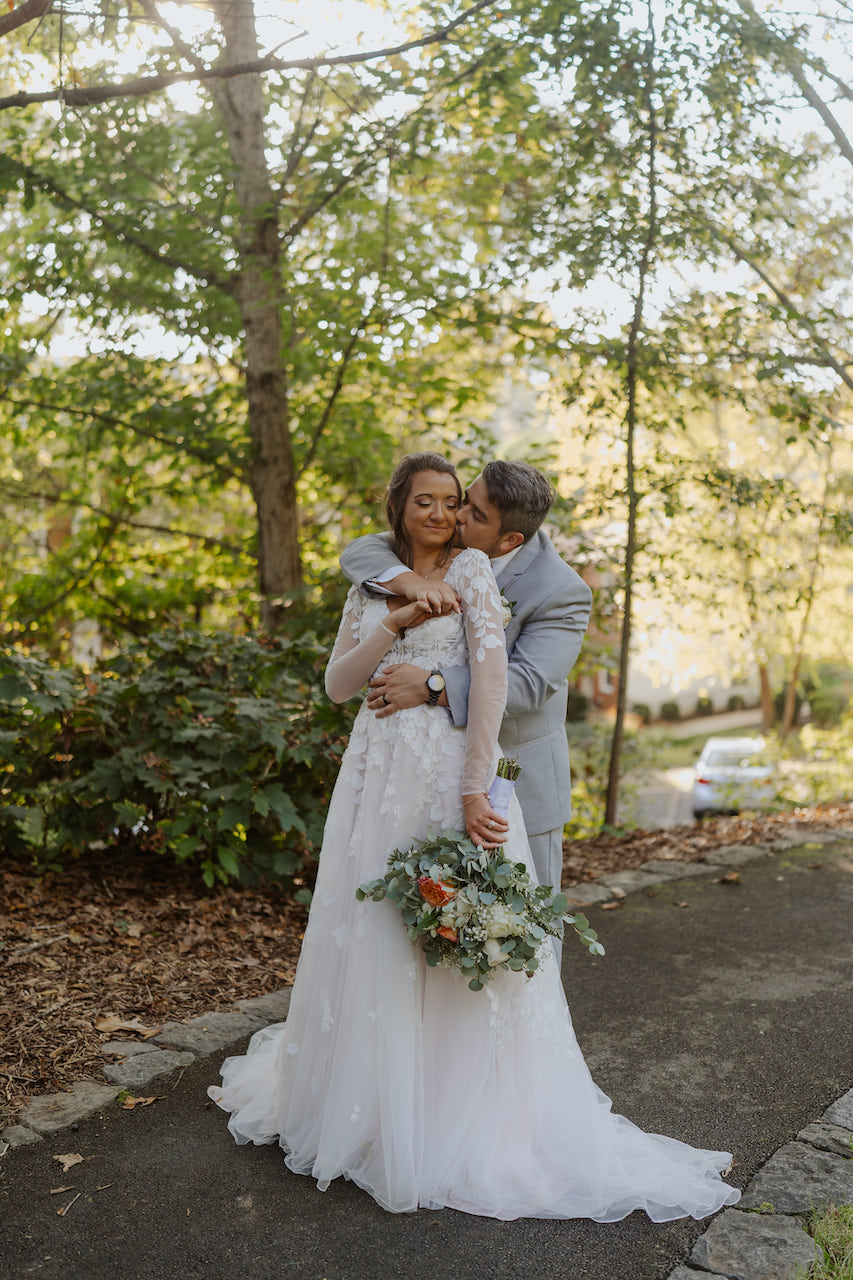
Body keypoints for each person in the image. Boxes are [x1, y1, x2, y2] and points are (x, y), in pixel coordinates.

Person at [209, 450, 740, 1222]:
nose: (451, 515)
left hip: (472, 772)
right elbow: (336, 679)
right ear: (401, 505)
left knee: (488, 940)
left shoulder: (528, 585)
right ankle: (371, 1096)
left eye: (464, 506)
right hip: (372, 778)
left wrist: (454, 748)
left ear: (503, 535)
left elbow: (508, 684)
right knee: (376, 926)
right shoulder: (381, 568)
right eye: (437, 501)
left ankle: (470, 1105)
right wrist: (394, 605)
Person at [340, 460, 592, 908]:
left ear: (509, 539)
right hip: (424, 771)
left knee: (523, 920)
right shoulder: (430, 548)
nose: (454, 516)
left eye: (472, 514)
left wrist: (432, 687)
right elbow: (358, 553)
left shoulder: (560, 591)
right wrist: (414, 583)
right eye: (464, 501)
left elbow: (530, 684)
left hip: (510, 776)